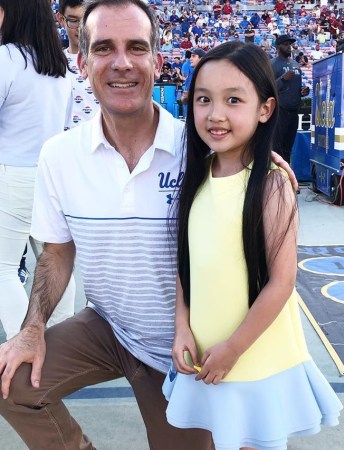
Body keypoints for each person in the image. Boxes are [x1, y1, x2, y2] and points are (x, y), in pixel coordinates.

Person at [0, 1, 215, 448]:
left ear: (158, 61)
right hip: (107, 326)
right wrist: (31, 329)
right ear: (81, 63)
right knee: (10, 380)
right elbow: (56, 253)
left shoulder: (200, 150)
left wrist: (263, 165)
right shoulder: (59, 155)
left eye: (136, 47)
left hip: (181, 344)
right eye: (103, 48)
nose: (122, 63)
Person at [163, 41, 342, 450]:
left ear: (265, 109)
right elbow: (188, 262)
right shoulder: (197, 175)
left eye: (233, 100)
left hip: (252, 354)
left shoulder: (272, 185)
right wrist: (181, 328)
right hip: (206, 352)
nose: (216, 114)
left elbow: (282, 282)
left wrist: (234, 348)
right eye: (204, 99)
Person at [0, 0, 74, 341]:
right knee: (55, 262)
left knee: (3, 269)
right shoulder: (58, 66)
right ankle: (59, 344)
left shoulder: (7, 59)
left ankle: (23, 347)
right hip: (50, 175)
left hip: (11, 173)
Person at [57, 0, 100, 128]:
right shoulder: (52, 64)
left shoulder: (108, 62)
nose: (80, 28)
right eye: (74, 21)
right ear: (61, 19)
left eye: (85, 20)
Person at [271, 34, 305, 163]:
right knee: (276, 146)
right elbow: (267, 88)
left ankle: (285, 171)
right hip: (279, 111)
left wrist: (302, 92)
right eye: (285, 44)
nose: (289, 47)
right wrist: (283, 79)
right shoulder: (272, 64)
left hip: (294, 110)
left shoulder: (295, 64)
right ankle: (274, 171)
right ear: (277, 47)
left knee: (288, 146)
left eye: (290, 44)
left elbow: (295, 87)